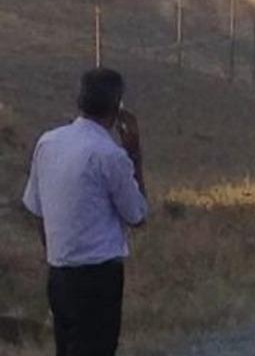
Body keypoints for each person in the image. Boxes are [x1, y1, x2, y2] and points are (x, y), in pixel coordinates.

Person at [22, 67, 148, 356]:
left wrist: (53, 252)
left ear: (79, 100)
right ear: (118, 108)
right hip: (98, 278)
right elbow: (137, 214)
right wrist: (135, 153)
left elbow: (36, 208)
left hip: (59, 274)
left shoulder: (48, 142)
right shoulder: (110, 155)